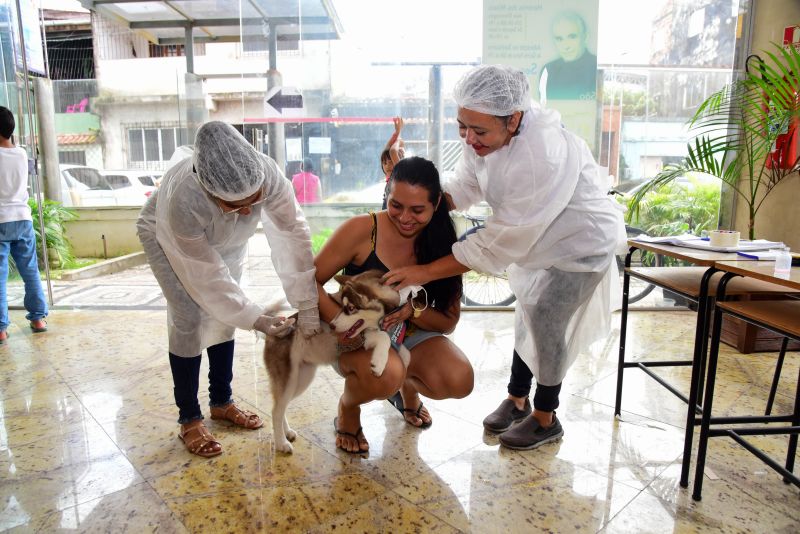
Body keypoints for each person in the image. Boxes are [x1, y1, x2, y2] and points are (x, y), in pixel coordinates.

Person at [384, 65, 624, 451]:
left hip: (581, 243)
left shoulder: (540, 156)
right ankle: (517, 399)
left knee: (546, 319)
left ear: (513, 119)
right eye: (462, 126)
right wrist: (420, 201)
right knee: (527, 312)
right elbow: (467, 184)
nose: (469, 138)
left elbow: (494, 243)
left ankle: (545, 417)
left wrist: (424, 271)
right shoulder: (484, 131)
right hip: (539, 239)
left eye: (478, 132)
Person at [136, 121, 321, 458]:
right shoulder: (183, 200)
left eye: (254, 201)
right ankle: (189, 418)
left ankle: (221, 401)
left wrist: (307, 303)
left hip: (227, 242)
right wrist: (257, 319)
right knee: (189, 316)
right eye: (237, 205)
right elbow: (206, 278)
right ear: (210, 191)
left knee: (224, 317)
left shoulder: (266, 173)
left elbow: (292, 234)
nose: (248, 211)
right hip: (167, 237)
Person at [315, 156, 473, 453]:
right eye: (396, 205)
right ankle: (349, 406)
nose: (404, 218)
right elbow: (308, 282)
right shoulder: (362, 230)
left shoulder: (444, 243)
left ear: (437, 203)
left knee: (459, 378)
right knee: (386, 372)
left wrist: (412, 311)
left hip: (406, 333)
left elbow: (448, 322)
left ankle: (406, 388)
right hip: (353, 336)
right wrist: (341, 321)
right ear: (386, 193)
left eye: (418, 210)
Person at [0, 106, 48, 344]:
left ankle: (1, 329)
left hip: (0, 220)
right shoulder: (21, 154)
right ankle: (38, 319)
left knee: (0, 278)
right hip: (22, 218)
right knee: (30, 271)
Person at [539, 11, 598, 101]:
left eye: (572, 37)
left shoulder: (596, 67)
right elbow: (542, 105)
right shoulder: (548, 70)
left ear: (585, 37)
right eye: (559, 39)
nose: (566, 46)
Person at [380, 117, 405, 208]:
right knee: (372, 214)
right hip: (386, 208)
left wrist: (398, 139)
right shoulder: (389, 177)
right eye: (385, 163)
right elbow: (387, 149)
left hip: (392, 210)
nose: (387, 166)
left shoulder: (400, 175)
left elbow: (393, 151)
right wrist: (397, 132)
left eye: (391, 162)